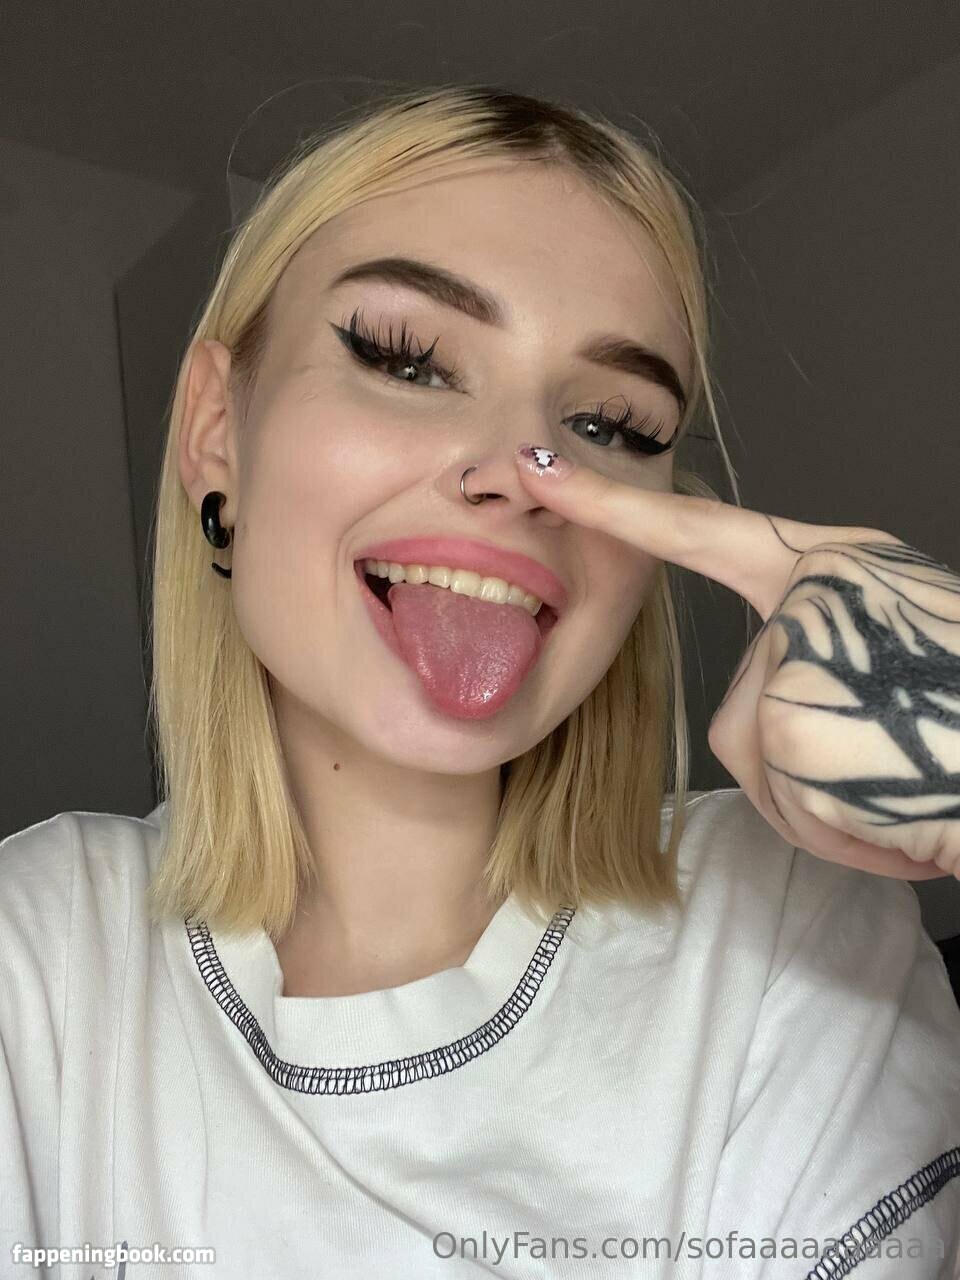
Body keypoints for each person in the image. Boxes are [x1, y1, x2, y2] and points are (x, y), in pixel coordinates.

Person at [1, 84, 958, 1280]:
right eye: (406, 359)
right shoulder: (39, 953)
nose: (517, 470)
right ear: (216, 432)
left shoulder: (783, 927)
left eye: (612, 424)